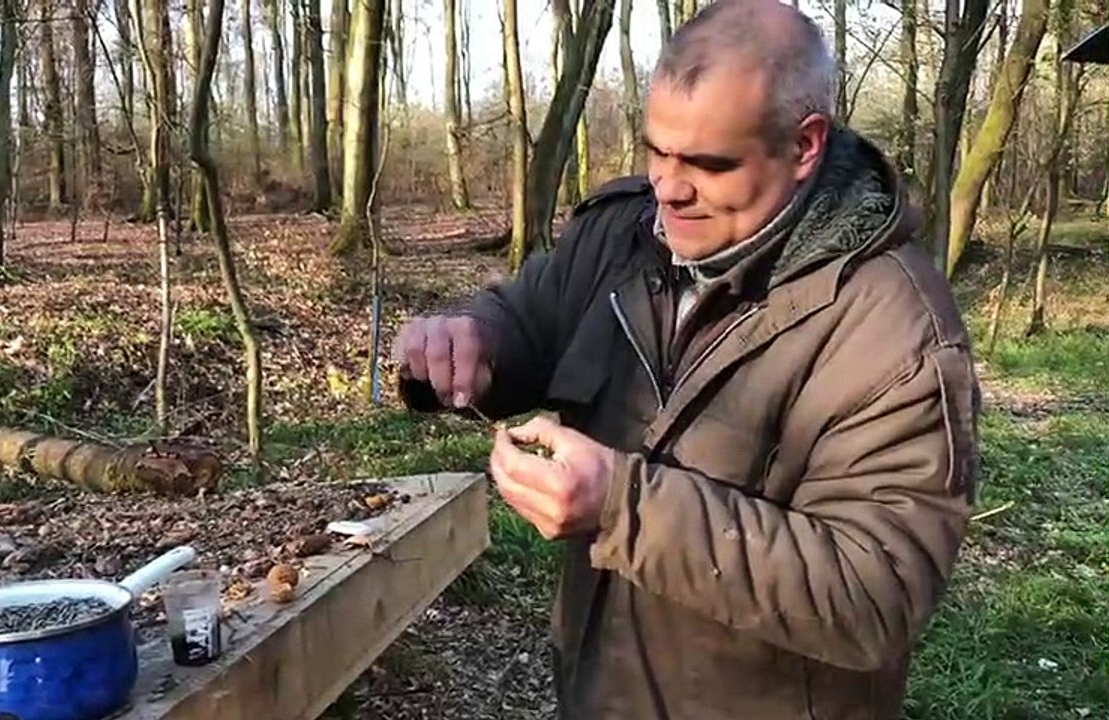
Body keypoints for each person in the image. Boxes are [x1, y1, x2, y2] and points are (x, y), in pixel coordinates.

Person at [392, 0, 981, 717]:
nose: (669, 187)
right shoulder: (622, 234)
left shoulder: (893, 328)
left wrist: (622, 505)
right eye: (656, 151)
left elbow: (874, 597)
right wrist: (470, 340)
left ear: (804, 146)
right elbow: (528, 316)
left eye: (707, 162)